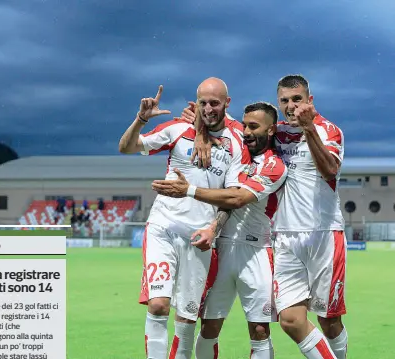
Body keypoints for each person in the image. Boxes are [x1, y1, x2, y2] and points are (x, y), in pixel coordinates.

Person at [182, 74, 348, 359]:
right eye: (285, 100)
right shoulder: (278, 131)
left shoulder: (328, 130)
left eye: (297, 99)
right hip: (283, 238)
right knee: (290, 320)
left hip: (323, 235)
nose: (291, 106)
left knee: (328, 320)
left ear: (310, 100)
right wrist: (199, 122)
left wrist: (309, 129)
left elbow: (330, 170)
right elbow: (242, 127)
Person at [118, 78, 247, 359]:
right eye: (203, 103)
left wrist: (214, 228)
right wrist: (140, 119)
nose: (208, 108)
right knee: (159, 306)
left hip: (200, 237)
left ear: (227, 102)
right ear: (195, 102)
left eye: (215, 102)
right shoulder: (177, 128)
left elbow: (232, 196)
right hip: (163, 227)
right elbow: (127, 147)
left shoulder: (236, 142)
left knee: (187, 319)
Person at [152, 102, 288, 359]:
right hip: (220, 249)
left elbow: (235, 199)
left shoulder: (275, 165)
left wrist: (189, 190)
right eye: (245, 125)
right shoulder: (233, 150)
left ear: (271, 131)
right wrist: (200, 124)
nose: (246, 131)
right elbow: (216, 119)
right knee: (209, 327)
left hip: (256, 251)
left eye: (254, 126)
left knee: (260, 330)